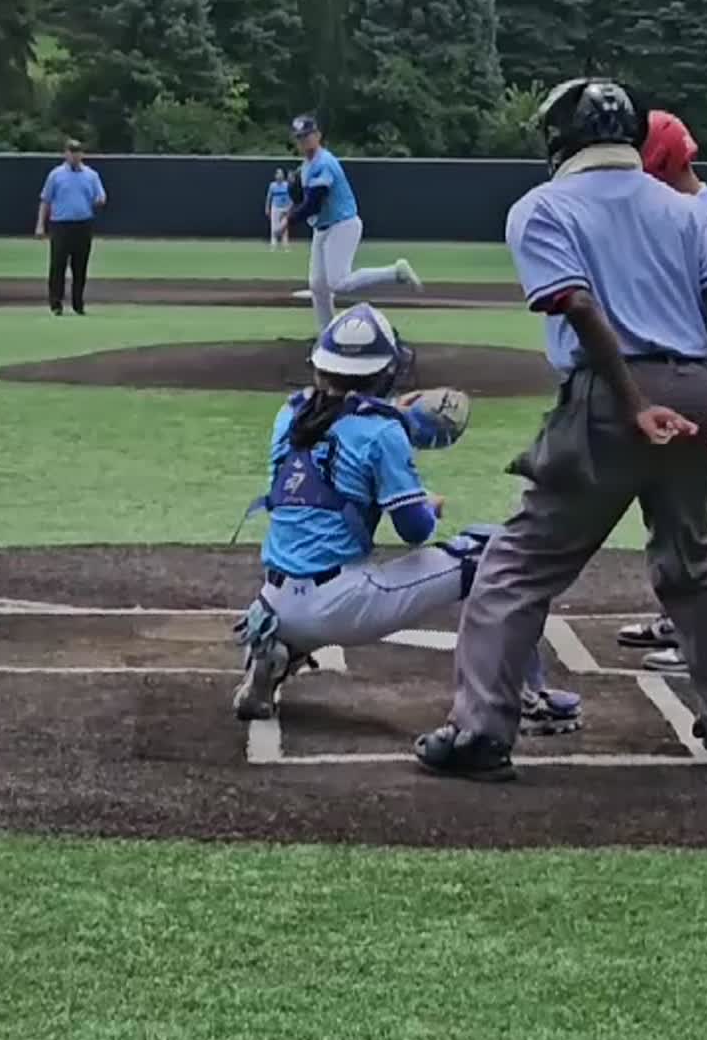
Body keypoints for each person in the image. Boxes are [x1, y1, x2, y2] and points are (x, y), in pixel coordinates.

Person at [415, 76, 707, 783]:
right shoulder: (685, 209)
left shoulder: (541, 208)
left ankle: (480, 729)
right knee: (690, 557)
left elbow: (577, 305)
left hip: (612, 397)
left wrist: (635, 400)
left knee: (517, 564)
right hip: (702, 385)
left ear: (560, 139)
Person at [232, 301, 581, 735]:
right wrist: (427, 502)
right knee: (497, 553)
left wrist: (393, 414)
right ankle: (526, 696)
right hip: (343, 603)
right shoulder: (382, 432)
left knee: (303, 581)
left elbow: (336, 440)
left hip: (273, 601)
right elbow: (415, 530)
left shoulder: (289, 415)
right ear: (384, 372)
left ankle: (273, 651)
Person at [617, 109, 707, 674]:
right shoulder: (684, 215)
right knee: (672, 509)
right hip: (685, 372)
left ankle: (698, 636)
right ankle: (677, 615)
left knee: (690, 516)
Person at [285, 114, 423, 333]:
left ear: (318, 135)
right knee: (318, 285)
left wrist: (289, 219)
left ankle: (396, 272)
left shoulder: (324, 164)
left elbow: (313, 203)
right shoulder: (306, 165)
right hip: (323, 228)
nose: (304, 141)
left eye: (307, 135)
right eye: (300, 137)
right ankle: (327, 334)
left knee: (338, 283)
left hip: (343, 225)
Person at [35, 139, 107, 316]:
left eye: (77, 151)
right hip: (61, 224)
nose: (74, 155)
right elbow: (46, 200)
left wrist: (100, 201)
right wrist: (40, 225)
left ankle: (78, 303)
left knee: (80, 266)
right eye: (71, 151)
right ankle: (56, 303)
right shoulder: (56, 175)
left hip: (83, 224)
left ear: (82, 154)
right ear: (65, 154)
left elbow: (101, 196)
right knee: (58, 265)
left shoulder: (91, 175)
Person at [265, 167, 292, 247]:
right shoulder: (272, 185)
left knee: (284, 225)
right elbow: (269, 197)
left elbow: (290, 197)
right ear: (275, 175)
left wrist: (289, 208)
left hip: (285, 208)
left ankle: (285, 243)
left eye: (281, 174)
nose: (280, 175)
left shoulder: (287, 185)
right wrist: (267, 207)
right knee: (274, 225)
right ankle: (274, 242)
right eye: (278, 174)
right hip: (275, 207)